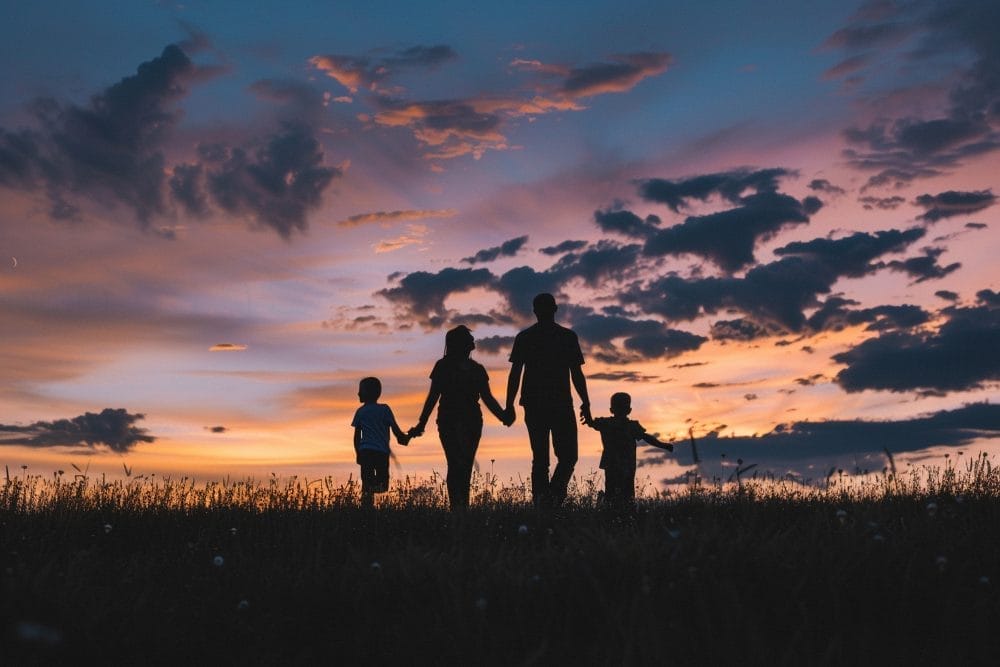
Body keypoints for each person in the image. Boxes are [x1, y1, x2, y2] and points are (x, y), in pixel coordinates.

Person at [409, 326, 511, 510]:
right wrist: (421, 423)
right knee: (456, 462)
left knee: (464, 463)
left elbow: (487, 398)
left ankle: (461, 507)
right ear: (460, 343)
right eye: (469, 338)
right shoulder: (444, 366)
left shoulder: (476, 369)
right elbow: (434, 396)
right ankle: (457, 507)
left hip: (471, 421)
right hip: (449, 420)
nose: (473, 340)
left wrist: (503, 416)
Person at [505, 293, 591, 508]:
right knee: (561, 457)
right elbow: (576, 374)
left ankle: (546, 502)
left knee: (545, 459)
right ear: (555, 308)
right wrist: (586, 403)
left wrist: (509, 405)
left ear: (536, 311)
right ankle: (548, 503)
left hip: (547, 403)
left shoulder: (532, 337)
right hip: (552, 403)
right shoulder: (563, 336)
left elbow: (516, 373)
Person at [582, 392, 673, 512]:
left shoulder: (606, 424)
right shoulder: (626, 426)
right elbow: (646, 437)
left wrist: (586, 412)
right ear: (629, 410)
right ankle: (618, 511)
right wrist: (663, 445)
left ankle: (613, 511)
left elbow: (590, 423)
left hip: (619, 464)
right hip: (623, 464)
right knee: (623, 491)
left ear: (611, 409)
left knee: (617, 490)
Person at [351, 376, 409, 507]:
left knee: (367, 484)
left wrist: (358, 453)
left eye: (361, 390)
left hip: (366, 452)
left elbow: (356, 438)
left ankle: (367, 504)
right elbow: (396, 431)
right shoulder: (384, 409)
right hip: (380, 453)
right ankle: (367, 507)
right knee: (383, 486)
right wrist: (405, 438)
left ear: (369, 393)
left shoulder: (360, 412)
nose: (358, 393)